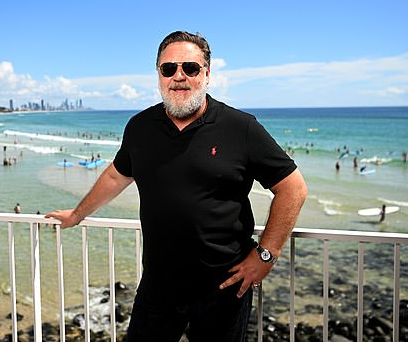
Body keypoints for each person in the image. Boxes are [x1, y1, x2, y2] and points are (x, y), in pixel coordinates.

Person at [46, 31, 308, 342]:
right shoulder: (140, 127)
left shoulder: (241, 127)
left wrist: (265, 256)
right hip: (158, 286)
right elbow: (116, 176)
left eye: (191, 68)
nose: (179, 76)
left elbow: (293, 188)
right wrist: (77, 215)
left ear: (207, 74)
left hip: (223, 288)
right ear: (158, 74)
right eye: (168, 69)